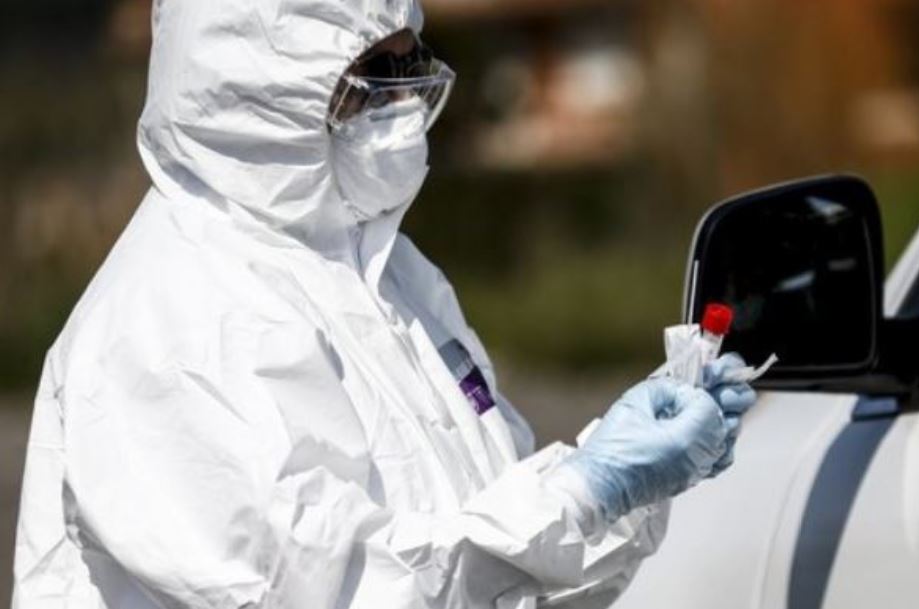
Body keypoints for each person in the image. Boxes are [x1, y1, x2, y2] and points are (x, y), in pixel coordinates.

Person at [11, 1, 758, 607]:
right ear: (259, 92)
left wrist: (626, 490)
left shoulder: (385, 274)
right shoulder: (171, 326)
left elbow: (503, 568)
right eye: (372, 75)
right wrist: (588, 489)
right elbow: (342, 591)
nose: (402, 106)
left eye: (411, 65)